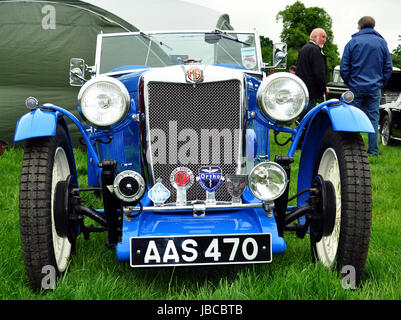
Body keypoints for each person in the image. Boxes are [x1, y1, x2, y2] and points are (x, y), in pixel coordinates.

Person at [340, 16, 393, 156]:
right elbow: (388, 67)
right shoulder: (382, 43)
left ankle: (352, 151)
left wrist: (350, 82)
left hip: (356, 87)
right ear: (373, 26)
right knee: (374, 119)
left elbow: (344, 67)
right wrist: (381, 83)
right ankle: (373, 151)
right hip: (375, 88)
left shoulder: (353, 42)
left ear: (360, 26)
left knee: (353, 118)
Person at [296, 28, 329, 115]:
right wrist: (324, 88)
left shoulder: (304, 49)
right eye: (323, 37)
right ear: (314, 37)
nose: (325, 40)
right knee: (310, 117)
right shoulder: (315, 50)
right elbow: (319, 73)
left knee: (301, 117)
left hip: (302, 90)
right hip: (311, 92)